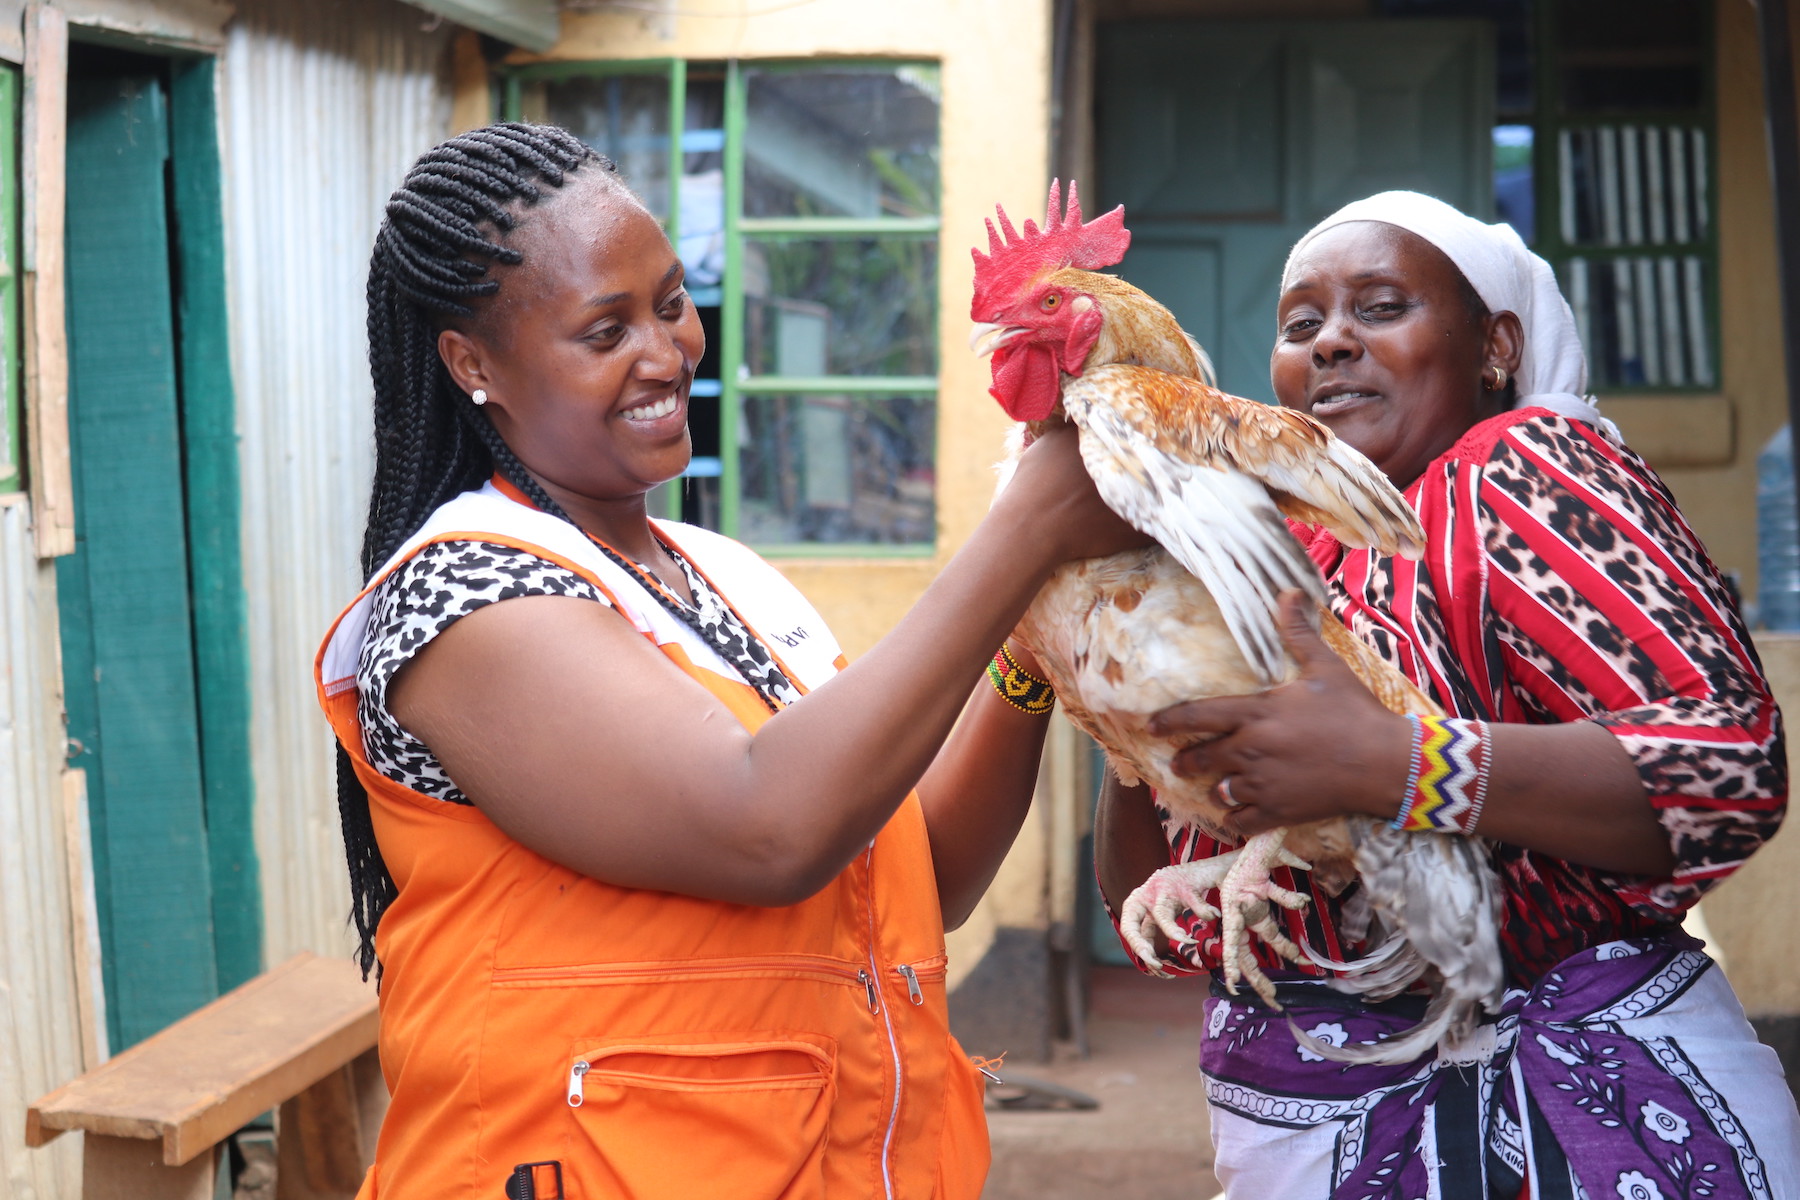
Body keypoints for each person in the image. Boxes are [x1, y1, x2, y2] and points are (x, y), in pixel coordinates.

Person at [315, 123, 1142, 1200]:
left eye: (669, 302)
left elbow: (912, 875)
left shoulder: (720, 576)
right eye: (603, 331)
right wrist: (1019, 535)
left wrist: (1030, 648)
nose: (665, 354)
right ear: (474, 364)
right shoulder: (464, 601)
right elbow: (769, 828)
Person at [1095, 190, 1800, 1198]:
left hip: (1577, 1126)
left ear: (1496, 345)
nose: (1331, 341)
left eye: (1379, 308)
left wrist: (1399, 764)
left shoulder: (1515, 473)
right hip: (1303, 1122)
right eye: (1301, 325)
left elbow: (1719, 767)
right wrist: (1120, 704)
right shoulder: (1270, 559)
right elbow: (1154, 908)